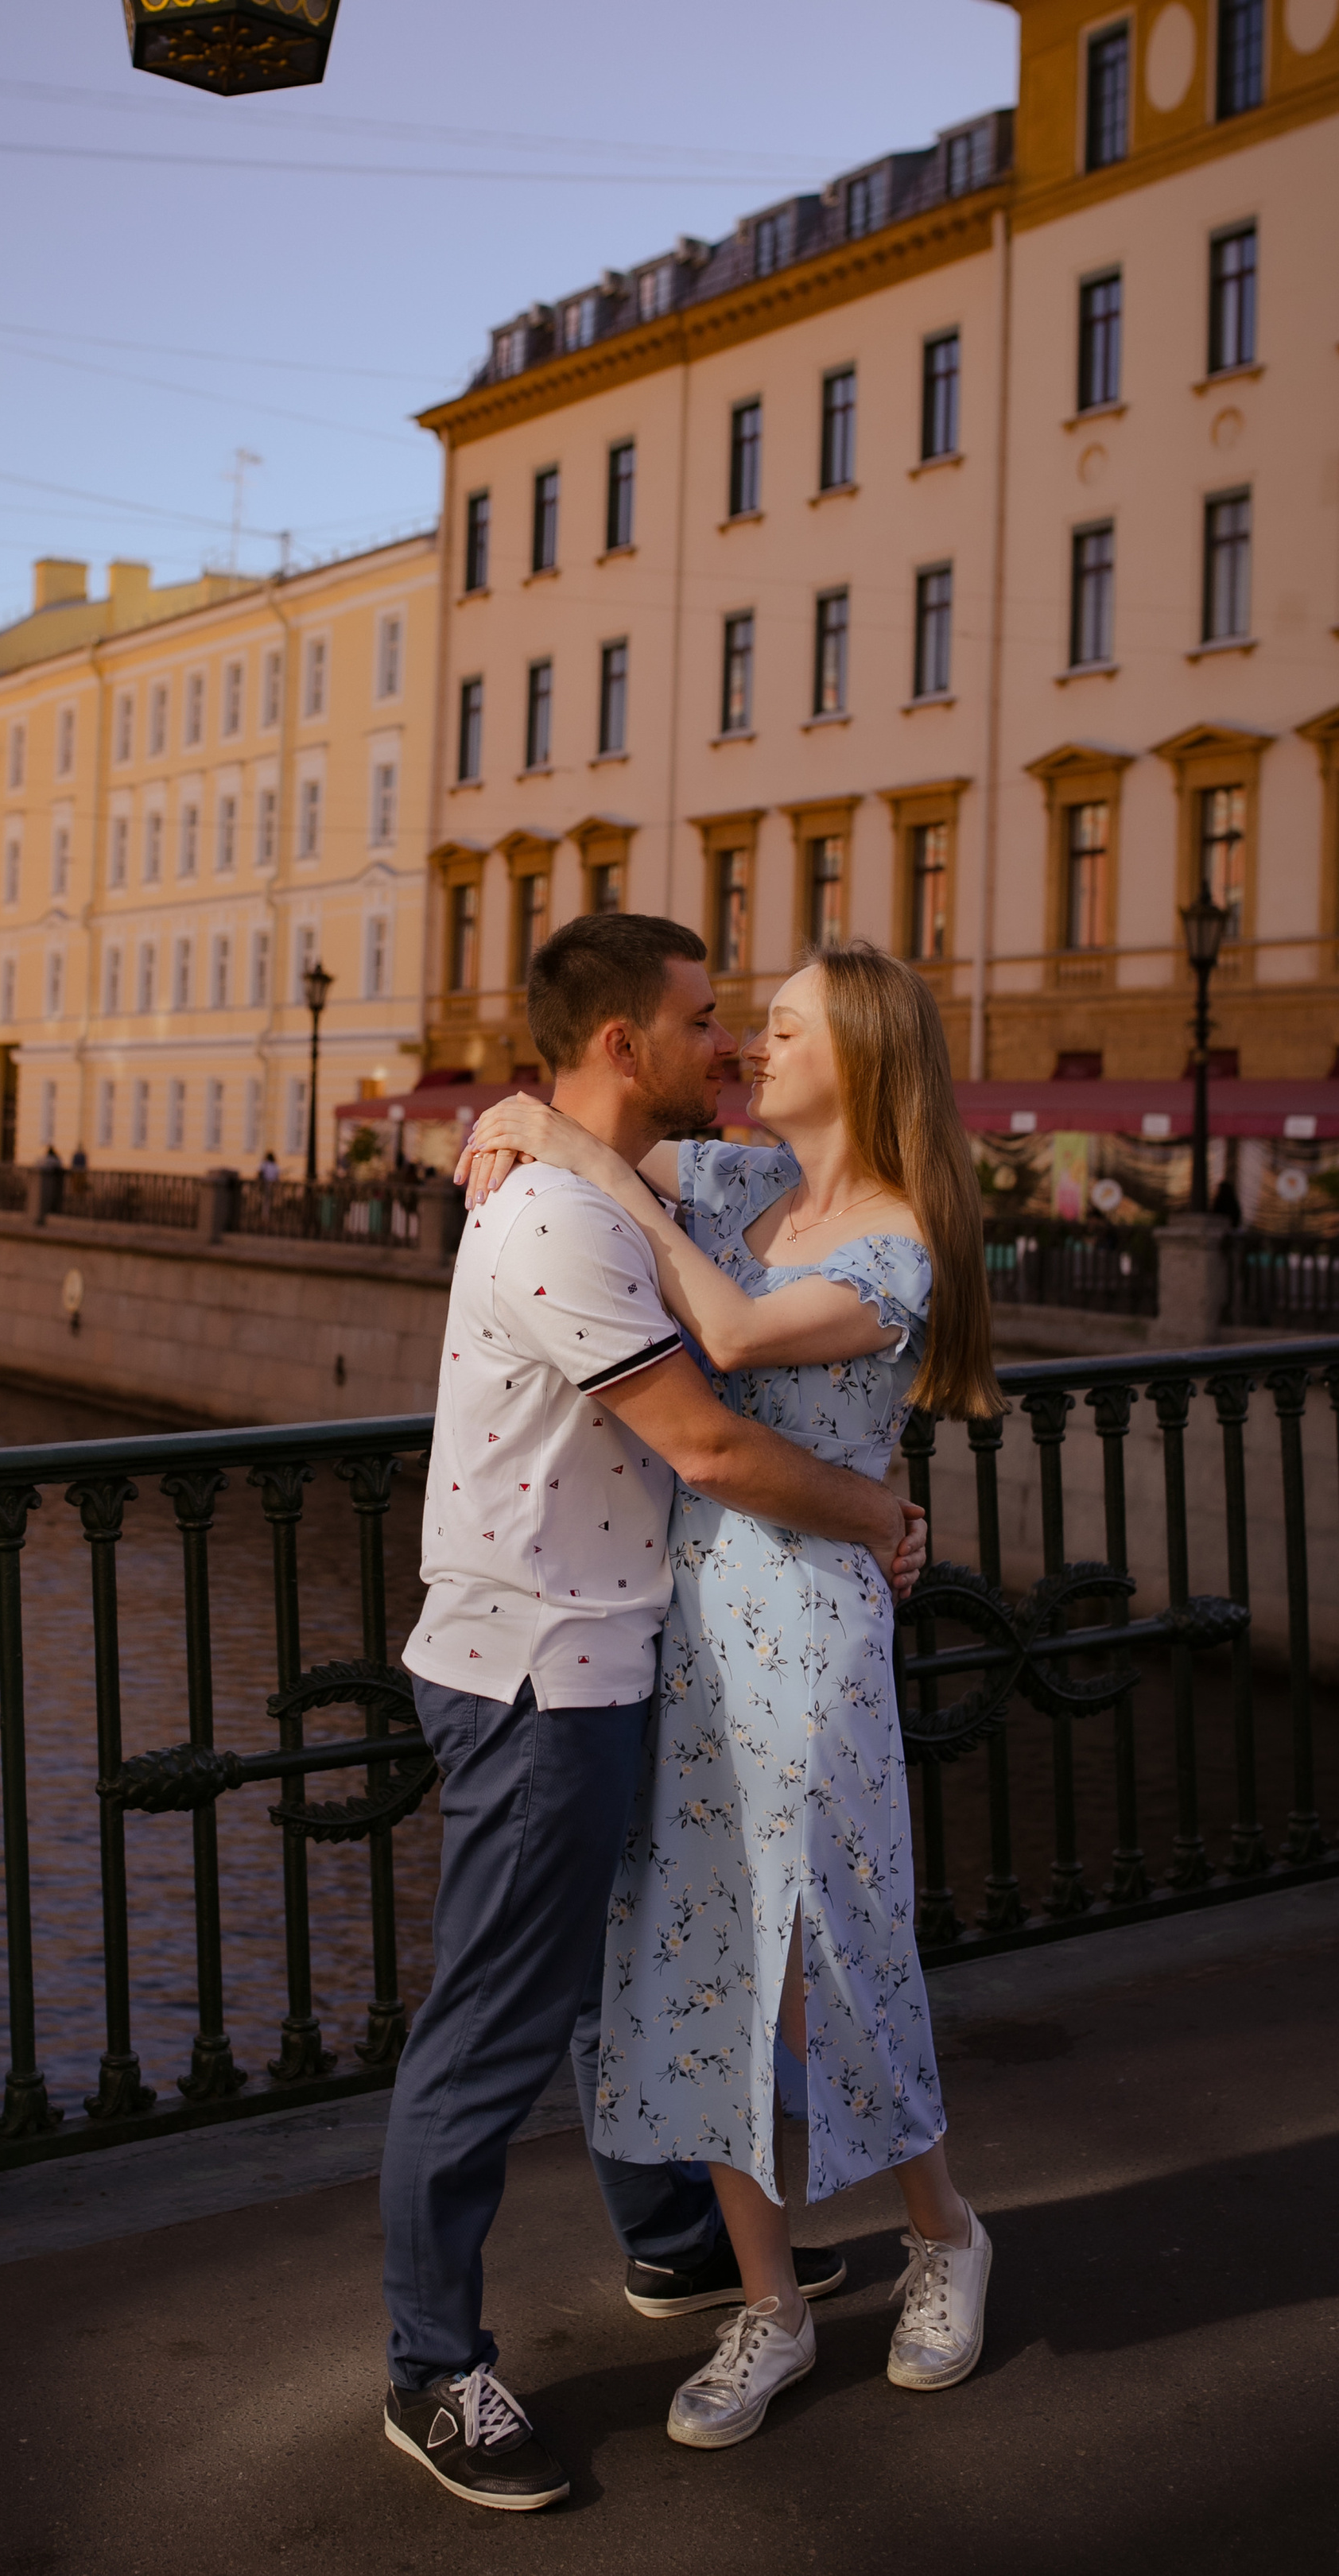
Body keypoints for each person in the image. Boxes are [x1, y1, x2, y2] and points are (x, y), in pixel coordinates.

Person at [379, 915, 928, 2514]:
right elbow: (708, 1443)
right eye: (704, 1020)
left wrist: (538, 1118)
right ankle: (430, 2369)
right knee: (491, 2022)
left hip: (614, 1655)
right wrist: (879, 1518)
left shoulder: (620, 1189)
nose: (729, 1046)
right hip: (536, 1671)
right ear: (625, 1044)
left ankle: (676, 2243)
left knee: (608, 1972)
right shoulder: (558, 1222)